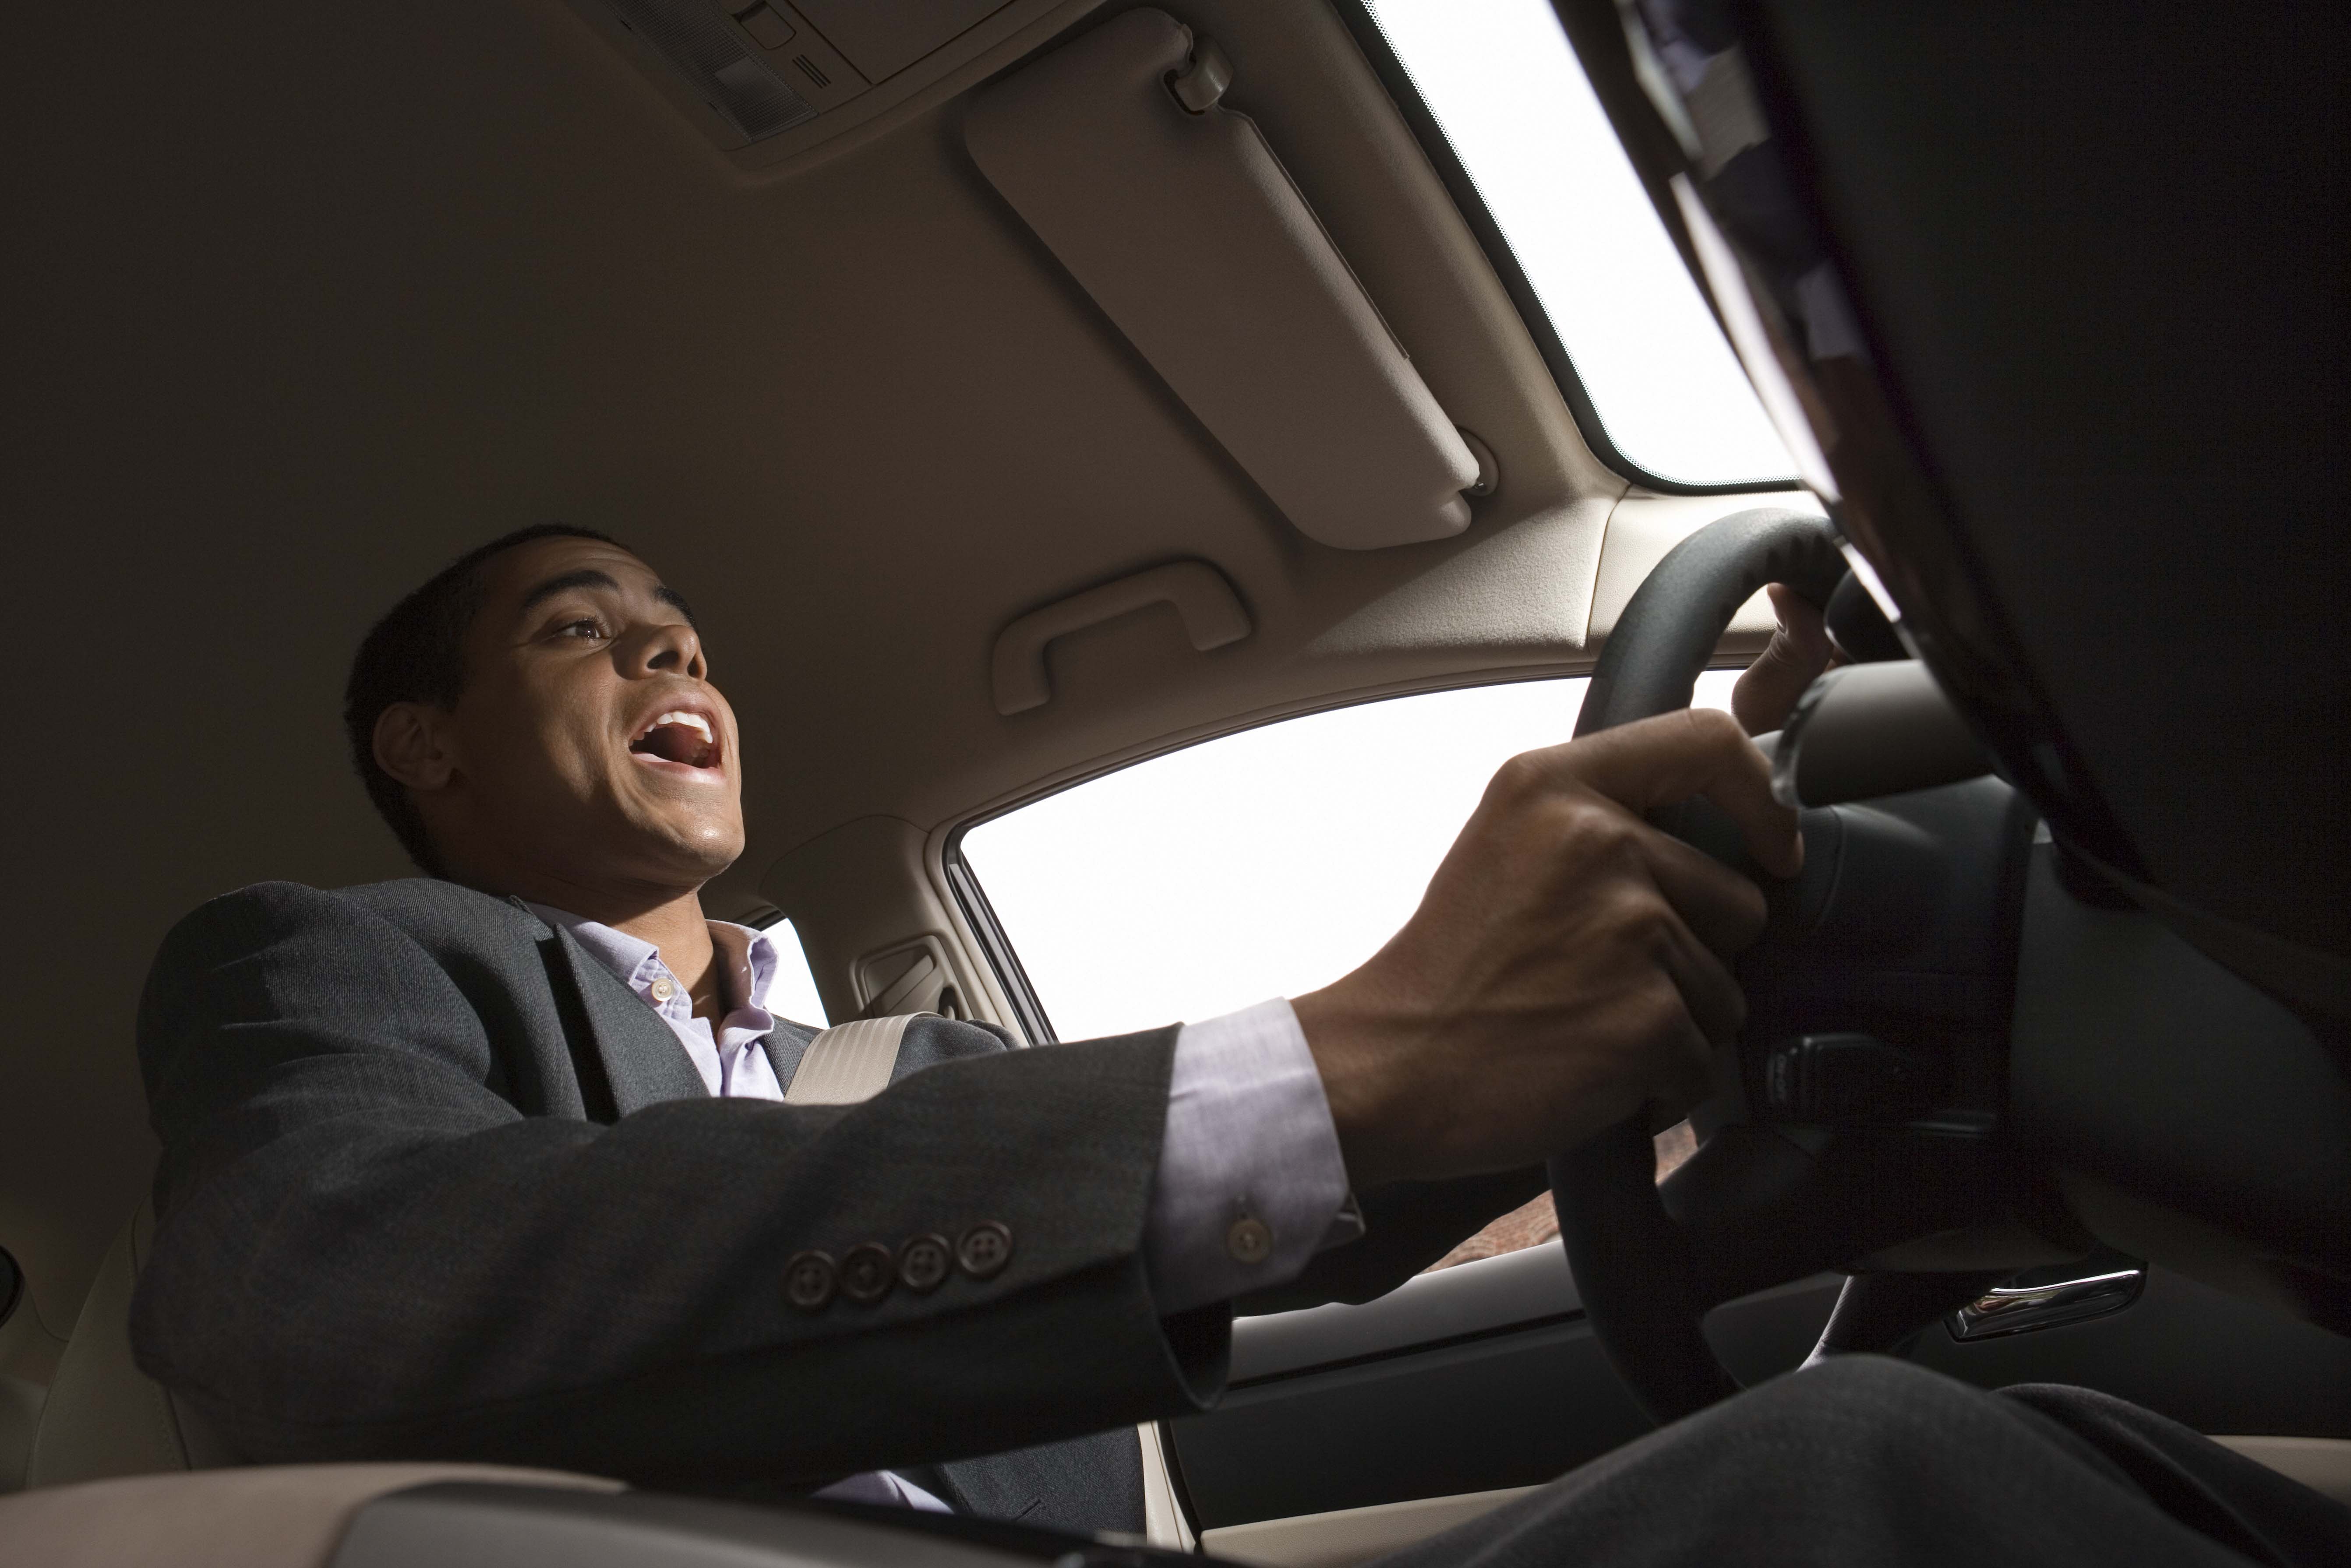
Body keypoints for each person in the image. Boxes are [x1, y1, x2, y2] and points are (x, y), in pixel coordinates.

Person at [129, 525, 2347, 1564]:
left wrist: (1676, 1047)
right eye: (577, 630)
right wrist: (1360, 1050)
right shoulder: (330, 955)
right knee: (1878, 1482)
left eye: (683, 628)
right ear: (423, 742)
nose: (665, 646)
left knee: (1935, 1437)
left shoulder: (917, 1067)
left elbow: (1265, 1209)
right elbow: (326, 1283)